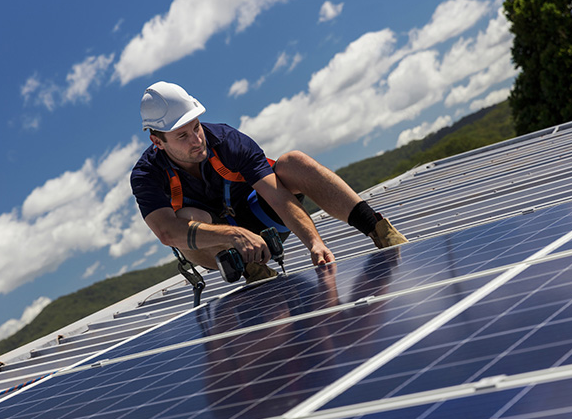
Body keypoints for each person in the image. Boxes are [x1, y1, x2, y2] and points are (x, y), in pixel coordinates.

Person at [130, 81, 407, 282]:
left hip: (265, 220)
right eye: (182, 136)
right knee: (188, 217)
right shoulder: (147, 175)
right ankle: (255, 270)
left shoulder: (228, 142)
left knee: (293, 162)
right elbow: (167, 233)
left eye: (196, 127)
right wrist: (233, 236)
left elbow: (276, 196)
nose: (197, 140)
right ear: (158, 141)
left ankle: (379, 229)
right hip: (220, 246)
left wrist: (314, 243)